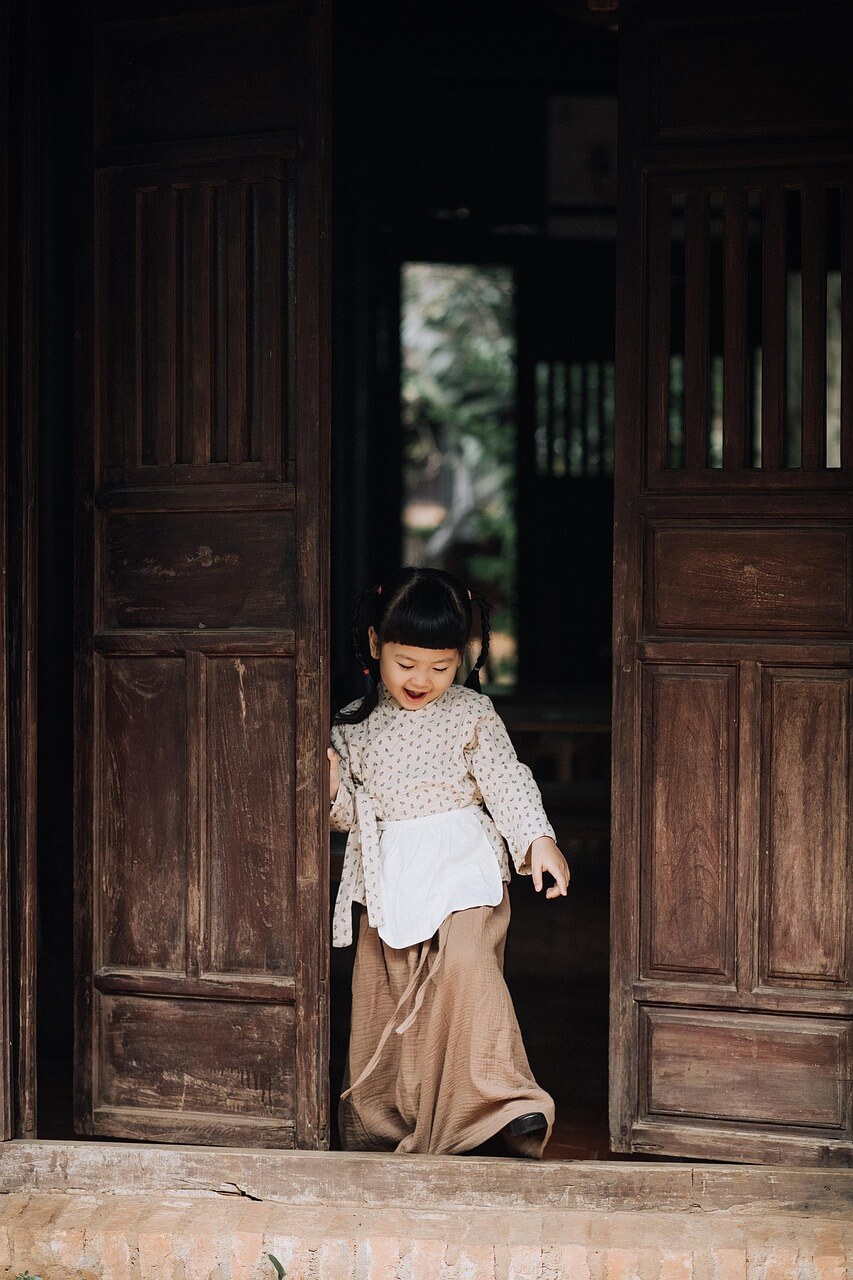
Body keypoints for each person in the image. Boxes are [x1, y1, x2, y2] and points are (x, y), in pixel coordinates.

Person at [328, 566, 570, 1158]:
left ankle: (505, 1106)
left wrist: (538, 840)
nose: (422, 680)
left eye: (441, 668)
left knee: (467, 966)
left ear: (462, 657)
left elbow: (506, 781)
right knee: (392, 994)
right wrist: (332, 787)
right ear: (374, 645)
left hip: (464, 866)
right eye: (406, 664)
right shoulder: (353, 725)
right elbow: (347, 817)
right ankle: (387, 1120)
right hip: (389, 876)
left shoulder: (471, 715)